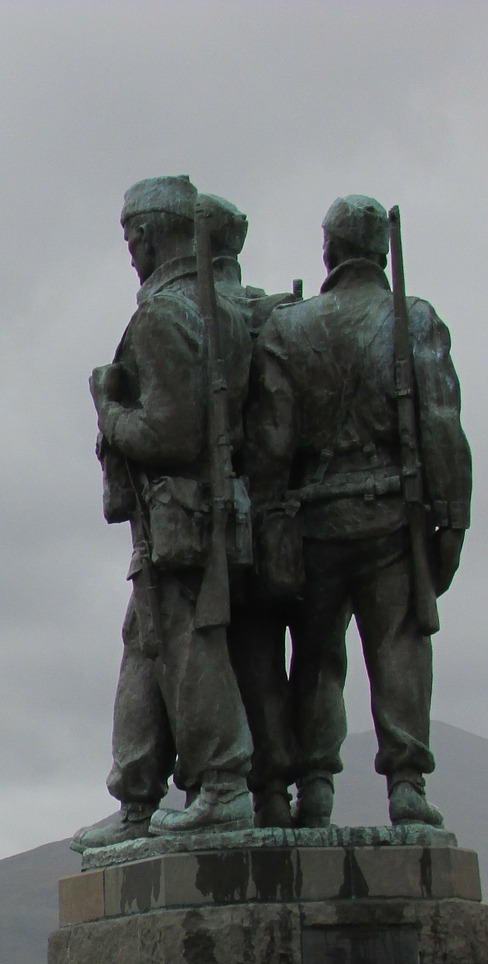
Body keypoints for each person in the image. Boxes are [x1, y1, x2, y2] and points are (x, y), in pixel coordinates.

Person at [244, 195, 472, 826]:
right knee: (399, 645)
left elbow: (270, 443)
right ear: (383, 252)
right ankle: (406, 781)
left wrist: (267, 522)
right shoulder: (412, 320)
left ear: (329, 252)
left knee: (316, 657)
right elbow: (441, 428)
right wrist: (451, 522)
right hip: (391, 520)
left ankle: (314, 787)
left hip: (314, 522)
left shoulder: (290, 329)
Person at [75, 175, 255, 850]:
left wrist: (107, 409)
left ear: (151, 234)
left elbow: (168, 435)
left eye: (131, 238)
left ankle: (221, 785)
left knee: (184, 642)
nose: (130, 252)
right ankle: (138, 799)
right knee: (151, 642)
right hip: (213, 504)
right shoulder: (229, 306)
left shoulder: (162, 316)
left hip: (178, 509)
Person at [204, 193, 300, 828]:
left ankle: (218, 790)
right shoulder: (276, 316)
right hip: (278, 515)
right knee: (264, 660)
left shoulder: (199, 314)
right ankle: (273, 794)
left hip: (218, 515)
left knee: (206, 651)